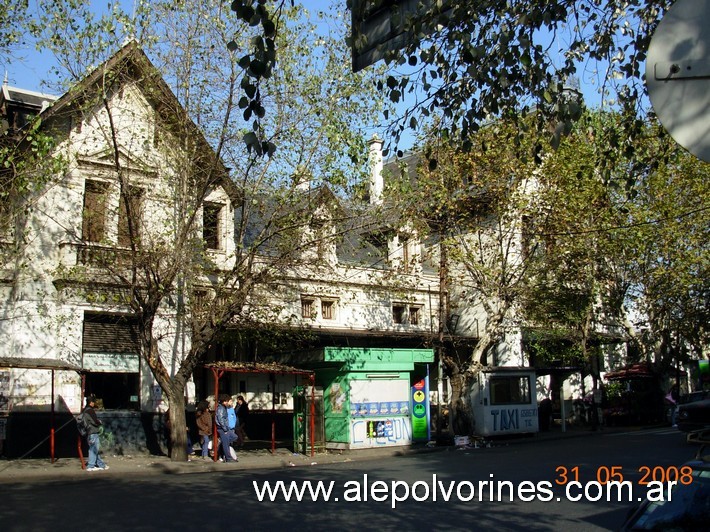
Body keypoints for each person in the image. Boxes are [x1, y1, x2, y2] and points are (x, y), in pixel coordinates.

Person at [83, 395, 109, 471]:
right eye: (93, 402)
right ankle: (91, 466)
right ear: (91, 403)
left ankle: (101, 465)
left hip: (89, 432)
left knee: (94, 449)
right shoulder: (90, 411)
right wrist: (99, 422)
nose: (94, 404)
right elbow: (94, 421)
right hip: (93, 431)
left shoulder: (85, 410)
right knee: (93, 449)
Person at [215, 394, 238, 462]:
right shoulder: (221, 408)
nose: (228, 402)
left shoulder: (222, 408)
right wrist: (225, 429)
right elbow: (221, 419)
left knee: (233, 437)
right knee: (226, 444)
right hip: (223, 428)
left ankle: (221, 448)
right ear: (224, 401)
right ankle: (228, 458)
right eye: (227, 401)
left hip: (225, 428)